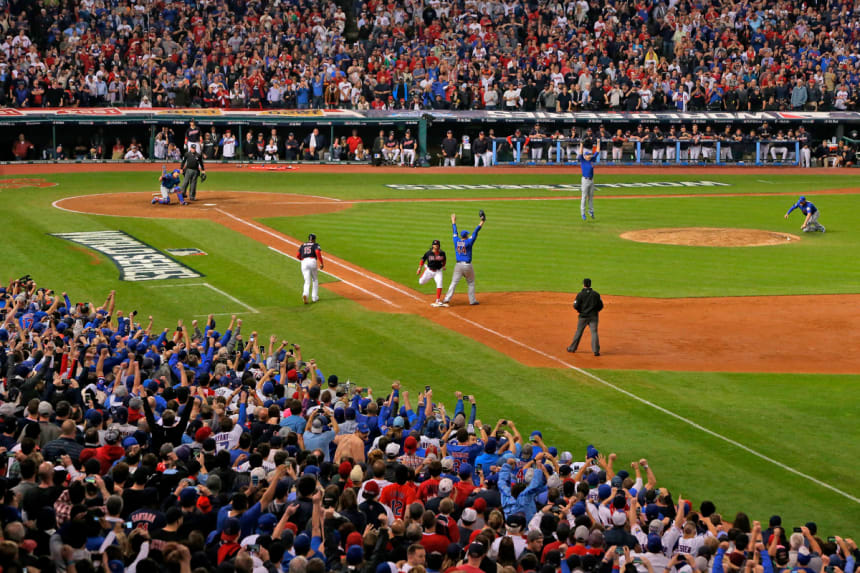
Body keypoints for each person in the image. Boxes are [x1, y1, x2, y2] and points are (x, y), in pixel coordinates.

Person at [442, 211, 485, 306]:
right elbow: (475, 231)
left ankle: (446, 299)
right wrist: (482, 221)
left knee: (453, 282)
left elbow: (454, 232)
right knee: (471, 282)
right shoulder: (469, 242)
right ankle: (472, 301)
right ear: (466, 236)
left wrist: (453, 222)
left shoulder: (456, 240)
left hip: (458, 266)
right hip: (467, 266)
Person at [567, 278, 604, 356]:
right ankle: (596, 351)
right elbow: (601, 305)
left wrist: (580, 311)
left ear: (584, 284)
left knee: (579, 332)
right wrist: (596, 311)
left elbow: (575, 305)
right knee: (594, 332)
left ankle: (572, 348)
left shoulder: (580, 294)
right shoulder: (596, 294)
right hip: (593, 316)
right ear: (590, 284)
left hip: (583, 317)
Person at [417, 239, 447, 307]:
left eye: (437, 245)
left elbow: (444, 260)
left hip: (438, 271)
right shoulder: (428, 253)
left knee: (440, 283)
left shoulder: (442, 253)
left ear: (439, 246)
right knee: (421, 282)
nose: (436, 246)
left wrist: (443, 266)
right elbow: (423, 260)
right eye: (435, 245)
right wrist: (419, 268)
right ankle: (425, 269)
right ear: (432, 245)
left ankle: (438, 300)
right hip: (429, 271)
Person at [297, 233, 325, 303]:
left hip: (304, 262)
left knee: (307, 281)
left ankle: (305, 294)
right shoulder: (315, 244)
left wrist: (303, 261)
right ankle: (314, 297)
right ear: (314, 239)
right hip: (312, 261)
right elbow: (317, 252)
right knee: (315, 279)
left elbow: (298, 255)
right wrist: (321, 263)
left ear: (308, 239)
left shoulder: (303, 245)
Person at [577, 140, 601, 221]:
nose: (589, 156)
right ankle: (582, 213)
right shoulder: (582, 160)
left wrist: (598, 142)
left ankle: (591, 211)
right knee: (584, 197)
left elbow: (597, 151)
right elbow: (580, 153)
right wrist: (581, 144)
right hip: (585, 180)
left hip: (591, 180)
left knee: (591, 197)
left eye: (589, 155)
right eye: (587, 155)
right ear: (585, 156)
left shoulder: (592, 160)